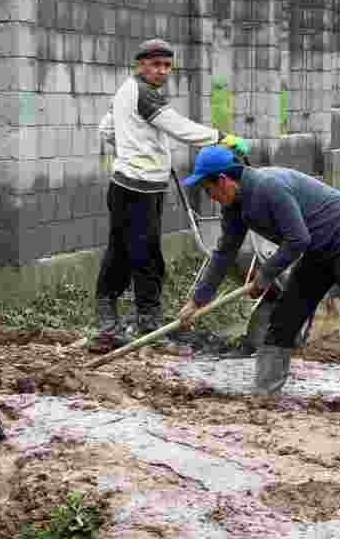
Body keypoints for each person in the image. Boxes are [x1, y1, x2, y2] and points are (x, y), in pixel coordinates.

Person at [177, 146, 340, 411]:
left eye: (208, 190)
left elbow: (297, 239)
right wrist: (197, 301)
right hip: (316, 250)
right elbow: (223, 254)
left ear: (223, 181)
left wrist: (266, 274)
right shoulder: (235, 207)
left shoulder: (268, 187)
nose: (210, 196)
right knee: (284, 320)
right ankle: (264, 396)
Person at [91, 38, 247, 353]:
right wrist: (222, 138)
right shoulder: (144, 95)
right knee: (146, 257)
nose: (162, 71)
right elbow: (180, 128)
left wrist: (137, 150)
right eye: (156, 65)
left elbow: (106, 130)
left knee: (121, 253)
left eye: (167, 66)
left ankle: (107, 325)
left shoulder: (126, 91)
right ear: (141, 64)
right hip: (137, 188)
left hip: (130, 184)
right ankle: (148, 324)